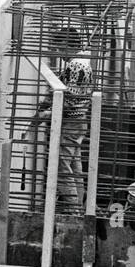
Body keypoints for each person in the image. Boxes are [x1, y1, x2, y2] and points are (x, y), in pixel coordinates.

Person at [25, 27, 94, 215]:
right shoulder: (78, 63)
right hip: (78, 122)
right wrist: (44, 107)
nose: (57, 52)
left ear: (67, 45)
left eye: (58, 47)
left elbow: (70, 100)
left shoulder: (77, 65)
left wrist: (47, 115)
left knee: (61, 167)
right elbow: (60, 91)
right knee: (74, 167)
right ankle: (80, 207)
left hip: (72, 122)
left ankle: (74, 212)